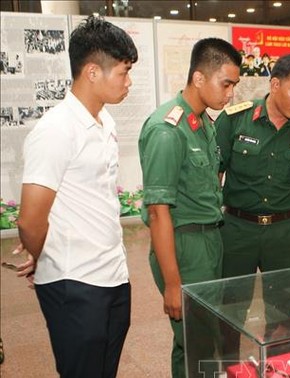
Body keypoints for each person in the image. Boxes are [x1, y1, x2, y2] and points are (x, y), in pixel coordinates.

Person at [16, 16, 137, 378]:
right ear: (92, 72)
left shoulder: (105, 122)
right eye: (123, 71)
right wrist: (42, 255)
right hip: (75, 283)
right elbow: (29, 219)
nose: (128, 81)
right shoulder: (55, 130)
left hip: (113, 275)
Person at [215, 53, 290, 358]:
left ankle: (278, 367)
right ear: (276, 84)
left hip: (285, 233)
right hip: (237, 230)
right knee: (230, 309)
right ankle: (229, 368)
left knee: (284, 311)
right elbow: (214, 176)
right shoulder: (234, 120)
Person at [138, 38, 241, 378]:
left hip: (209, 240)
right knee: (197, 343)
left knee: (198, 339)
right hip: (185, 245)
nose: (230, 94)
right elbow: (158, 212)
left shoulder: (203, 123)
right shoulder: (168, 130)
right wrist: (172, 283)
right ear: (199, 78)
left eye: (234, 86)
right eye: (226, 84)